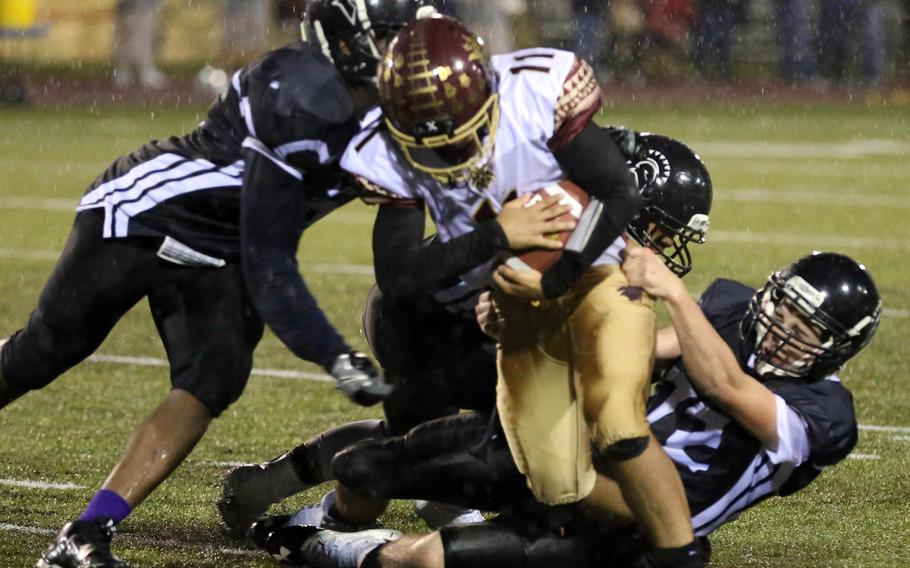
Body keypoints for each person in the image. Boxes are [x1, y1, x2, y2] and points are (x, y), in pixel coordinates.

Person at [10, 2, 435, 567]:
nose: (405, 53)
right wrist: (331, 354)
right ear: (345, 40)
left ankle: (86, 533)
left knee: (213, 378)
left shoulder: (397, 109)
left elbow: (397, 259)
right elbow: (268, 259)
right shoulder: (297, 91)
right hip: (144, 216)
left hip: (221, 250)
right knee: (45, 351)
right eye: (389, 38)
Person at [221, 128, 714, 568]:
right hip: (423, 324)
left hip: (449, 324)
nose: (665, 244)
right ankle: (321, 523)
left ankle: (275, 485)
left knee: (451, 441)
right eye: (662, 229)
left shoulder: (578, 210)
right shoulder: (568, 229)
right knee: (449, 449)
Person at [253, 250, 881, 568]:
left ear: (838, 350)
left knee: (427, 560)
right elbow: (642, 350)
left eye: (807, 328)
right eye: (785, 310)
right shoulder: (730, 319)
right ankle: (318, 525)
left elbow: (725, 388)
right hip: (585, 461)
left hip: (641, 523)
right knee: (371, 468)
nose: (781, 331)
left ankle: (320, 545)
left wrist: (672, 292)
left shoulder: (825, 415)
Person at [112, 0, 168, 89]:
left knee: (131, 29)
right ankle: (143, 70)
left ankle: (128, 70)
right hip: (140, 6)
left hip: (140, 6)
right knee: (135, 28)